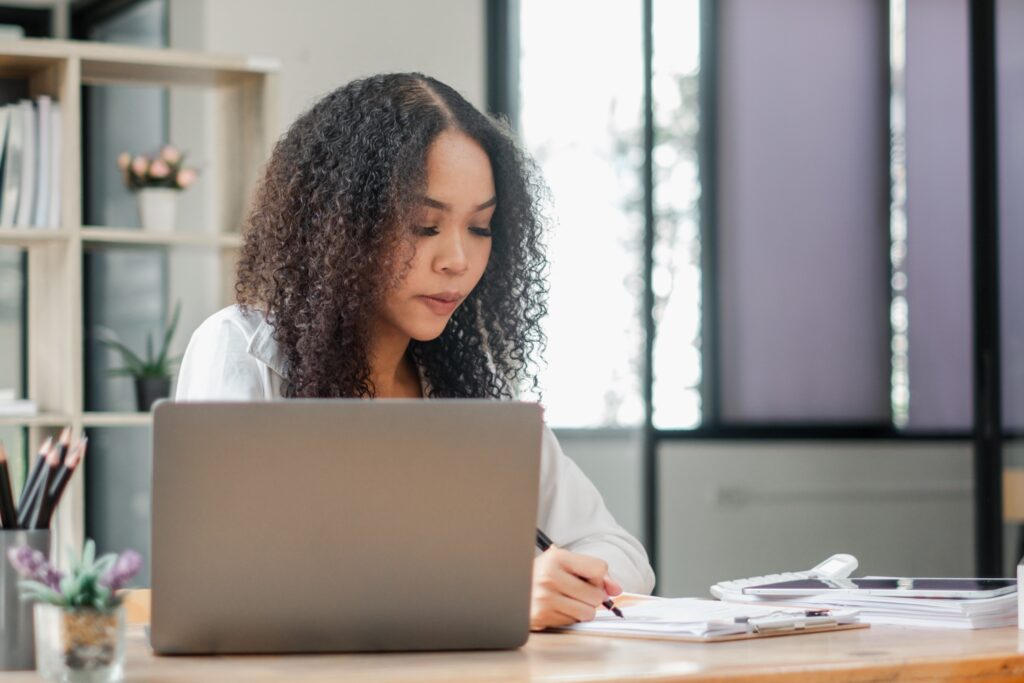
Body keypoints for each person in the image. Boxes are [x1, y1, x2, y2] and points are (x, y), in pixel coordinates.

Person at [175, 73, 655, 630]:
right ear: (341, 225)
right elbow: (226, 581)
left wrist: (564, 582)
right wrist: (491, 593)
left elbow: (622, 553)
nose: (456, 259)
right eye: (424, 225)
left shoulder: (467, 387)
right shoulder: (248, 350)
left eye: (480, 227)